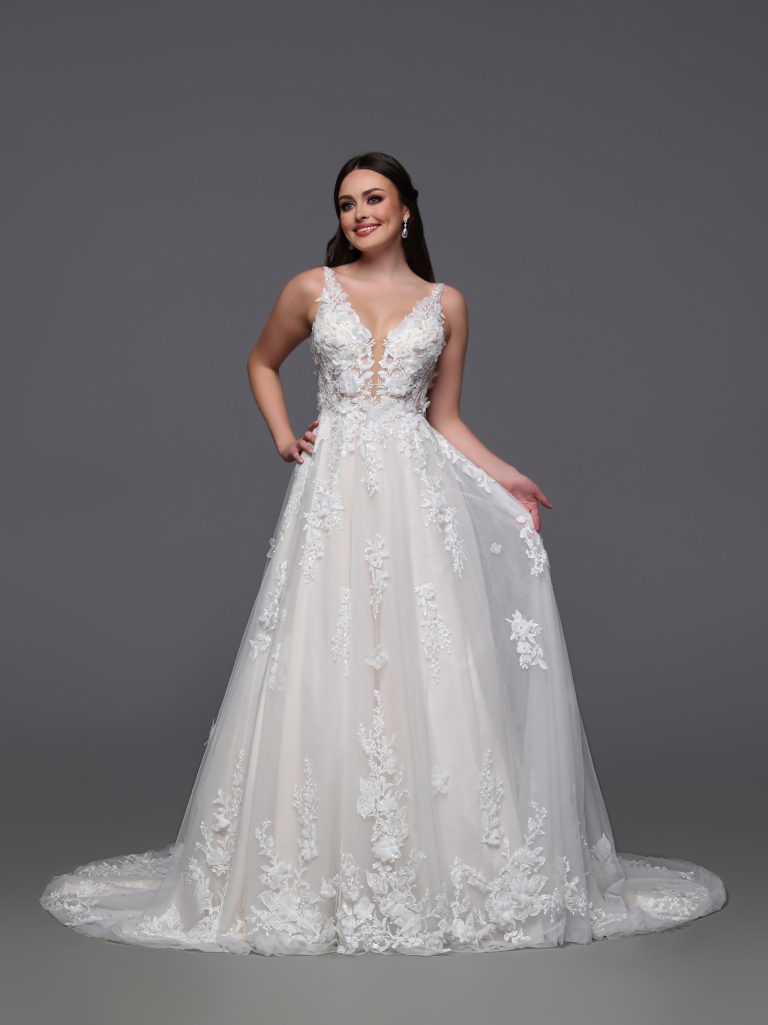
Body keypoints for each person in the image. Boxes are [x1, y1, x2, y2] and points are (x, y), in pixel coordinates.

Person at [39, 151, 727, 955]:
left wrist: (507, 477)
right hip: (334, 496)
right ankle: (311, 864)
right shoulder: (311, 288)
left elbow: (446, 417)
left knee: (421, 661)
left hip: (414, 498)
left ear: (406, 210)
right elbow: (261, 360)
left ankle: (440, 862)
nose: (359, 213)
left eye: (374, 198)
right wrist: (282, 436)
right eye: (346, 203)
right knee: (321, 656)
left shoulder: (447, 303)